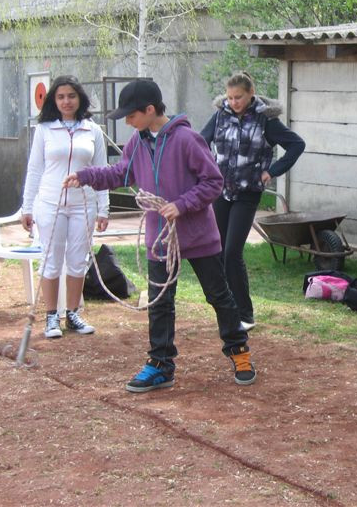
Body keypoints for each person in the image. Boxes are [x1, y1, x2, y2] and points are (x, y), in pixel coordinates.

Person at [65, 79, 256, 390]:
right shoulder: (137, 143)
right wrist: (86, 176)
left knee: (219, 296)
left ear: (149, 110)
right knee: (160, 302)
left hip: (198, 237)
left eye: (131, 115)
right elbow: (121, 173)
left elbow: (213, 182)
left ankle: (239, 351)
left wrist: (181, 205)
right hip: (160, 239)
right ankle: (160, 364)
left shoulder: (187, 139)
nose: (127, 121)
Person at [200, 72, 305, 330]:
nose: (234, 102)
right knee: (218, 251)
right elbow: (200, 142)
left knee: (233, 252)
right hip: (220, 192)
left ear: (250, 94)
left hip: (248, 193)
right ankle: (227, 309)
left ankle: (245, 315)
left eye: (239, 97)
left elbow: (296, 145)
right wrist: (206, 169)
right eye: (230, 97)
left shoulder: (265, 119)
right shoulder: (220, 116)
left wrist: (273, 170)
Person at [21, 75, 109, 339]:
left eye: (71, 96)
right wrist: (27, 206)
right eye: (60, 97)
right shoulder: (45, 130)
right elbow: (35, 169)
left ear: (79, 98)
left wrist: (104, 209)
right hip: (51, 203)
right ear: (53, 100)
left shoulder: (93, 130)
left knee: (78, 260)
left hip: (84, 204)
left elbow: (102, 171)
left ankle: (72, 313)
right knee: (51, 260)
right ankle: (51, 317)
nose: (66, 101)